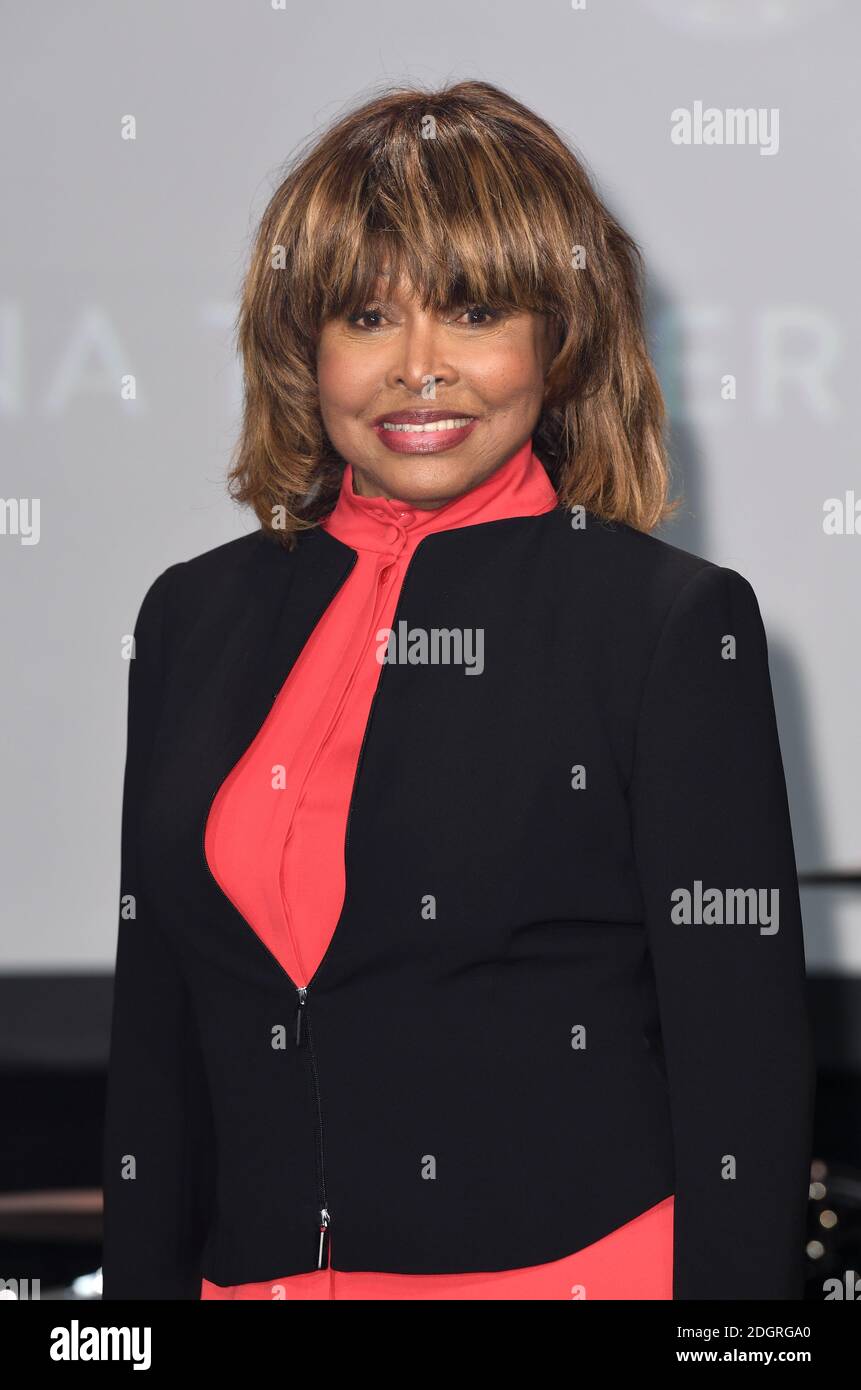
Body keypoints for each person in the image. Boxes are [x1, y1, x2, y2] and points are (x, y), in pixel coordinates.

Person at [101, 80, 816, 1301]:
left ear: (561, 336)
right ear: (305, 347)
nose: (417, 369)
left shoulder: (670, 624)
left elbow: (740, 1071)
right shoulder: (194, 614)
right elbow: (157, 1053)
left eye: (475, 310)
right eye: (368, 316)